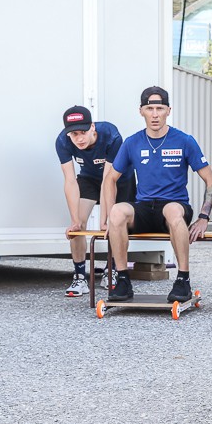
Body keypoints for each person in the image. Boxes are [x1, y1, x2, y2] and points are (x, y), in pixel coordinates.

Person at [102, 86, 212, 303]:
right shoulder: (132, 142)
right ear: (141, 111)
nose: (155, 114)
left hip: (174, 206)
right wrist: (108, 217)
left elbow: (211, 180)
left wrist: (204, 217)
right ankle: (123, 280)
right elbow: (110, 179)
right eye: (149, 109)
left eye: (160, 108)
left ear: (168, 111)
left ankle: (183, 279)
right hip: (144, 208)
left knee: (172, 210)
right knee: (117, 212)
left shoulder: (184, 140)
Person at [55, 105, 135, 297]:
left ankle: (113, 270)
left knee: (116, 224)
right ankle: (79, 277)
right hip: (89, 178)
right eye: (74, 134)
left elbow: (108, 180)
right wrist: (75, 220)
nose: (79, 139)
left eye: (83, 132)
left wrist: (105, 219)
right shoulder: (62, 141)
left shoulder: (111, 135)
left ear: (92, 127)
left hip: (119, 179)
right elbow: (70, 181)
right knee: (78, 227)